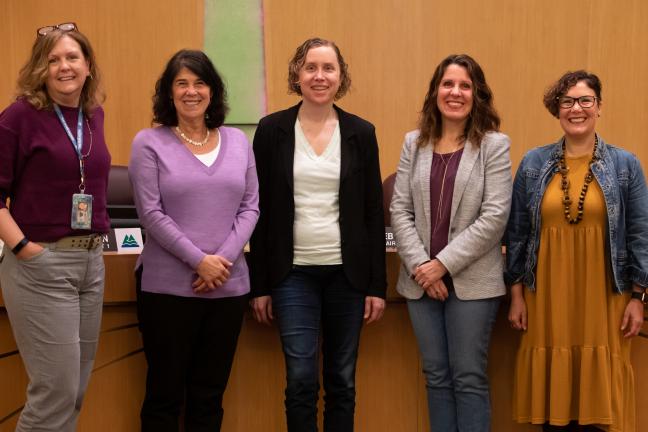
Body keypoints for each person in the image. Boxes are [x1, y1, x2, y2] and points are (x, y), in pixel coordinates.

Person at [249, 37, 386, 432]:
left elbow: (373, 212)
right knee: (301, 380)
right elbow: (259, 210)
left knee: (342, 381)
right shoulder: (272, 130)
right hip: (292, 275)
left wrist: (377, 285)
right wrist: (260, 286)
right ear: (297, 73)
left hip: (348, 274)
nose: (319, 76)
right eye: (311, 67)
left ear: (340, 77)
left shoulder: (361, 132)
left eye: (329, 68)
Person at [506, 70, 648, 432]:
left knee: (599, 404)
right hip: (546, 296)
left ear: (599, 107)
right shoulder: (533, 164)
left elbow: (639, 233)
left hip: (605, 297)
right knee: (555, 401)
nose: (576, 109)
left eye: (585, 100)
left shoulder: (625, 166)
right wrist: (516, 293)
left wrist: (638, 296)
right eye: (567, 102)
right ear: (558, 110)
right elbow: (518, 233)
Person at [128, 49, 259, 432]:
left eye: (200, 82)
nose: (191, 91)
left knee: (209, 397)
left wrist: (222, 261)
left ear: (213, 91)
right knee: (164, 397)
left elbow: (251, 207)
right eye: (181, 83)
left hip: (228, 287)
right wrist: (199, 261)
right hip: (166, 289)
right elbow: (150, 214)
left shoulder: (238, 142)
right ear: (168, 93)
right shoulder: (148, 143)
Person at [390, 54, 512, 432]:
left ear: (477, 95)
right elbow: (400, 208)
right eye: (447, 84)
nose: (455, 92)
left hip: (473, 284)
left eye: (464, 85)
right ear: (435, 92)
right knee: (436, 377)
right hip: (419, 282)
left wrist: (440, 265)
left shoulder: (494, 145)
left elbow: (494, 216)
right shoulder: (415, 143)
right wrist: (422, 270)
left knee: (468, 378)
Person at [0, 23, 110, 432]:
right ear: (40, 69)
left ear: (87, 65)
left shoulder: (92, 115)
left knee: (75, 390)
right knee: (54, 393)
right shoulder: (19, 117)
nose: (64, 66)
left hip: (90, 264)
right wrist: (26, 248)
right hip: (42, 267)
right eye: (53, 59)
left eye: (72, 57)